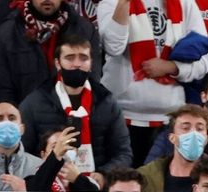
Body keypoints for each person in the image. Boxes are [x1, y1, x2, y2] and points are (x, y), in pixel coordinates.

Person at [16, 31, 132, 177]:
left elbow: (123, 153)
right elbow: (23, 154)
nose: (77, 64)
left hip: (95, 184)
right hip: (50, 183)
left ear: (91, 63)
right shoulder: (34, 103)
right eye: (70, 58)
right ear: (57, 63)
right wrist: (46, 176)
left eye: (83, 58)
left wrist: (103, 175)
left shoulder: (106, 101)